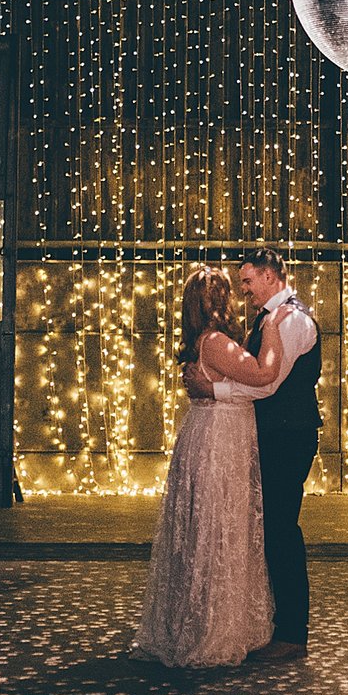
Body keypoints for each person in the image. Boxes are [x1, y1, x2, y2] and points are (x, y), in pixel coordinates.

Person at [131, 265, 287, 668]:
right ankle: (213, 629)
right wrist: (272, 326)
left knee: (206, 532)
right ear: (218, 301)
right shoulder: (216, 342)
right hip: (220, 443)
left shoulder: (203, 341)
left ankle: (196, 621)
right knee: (221, 530)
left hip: (208, 435)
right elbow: (263, 372)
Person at [181, 249, 320, 663]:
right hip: (272, 435)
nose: (244, 291)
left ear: (270, 276)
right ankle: (273, 624)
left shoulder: (292, 320)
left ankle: (293, 632)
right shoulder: (267, 319)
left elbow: (267, 384)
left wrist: (213, 391)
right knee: (268, 531)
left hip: (288, 437)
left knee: (280, 530)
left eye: (248, 282)